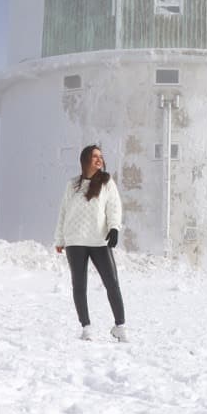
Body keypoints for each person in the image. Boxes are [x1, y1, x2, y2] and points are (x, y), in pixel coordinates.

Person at [54, 144, 128, 342]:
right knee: (79, 285)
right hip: (75, 240)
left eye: (101, 156)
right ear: (85, 159)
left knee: (112, 283)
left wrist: (114, 227)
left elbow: (114, 206)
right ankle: (86, 327)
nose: (99, 159)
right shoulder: (72, 184)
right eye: (95, 156)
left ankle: (120, 326)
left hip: (99, 240)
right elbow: (63, 211)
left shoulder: (106, 182)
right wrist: (59, 239)